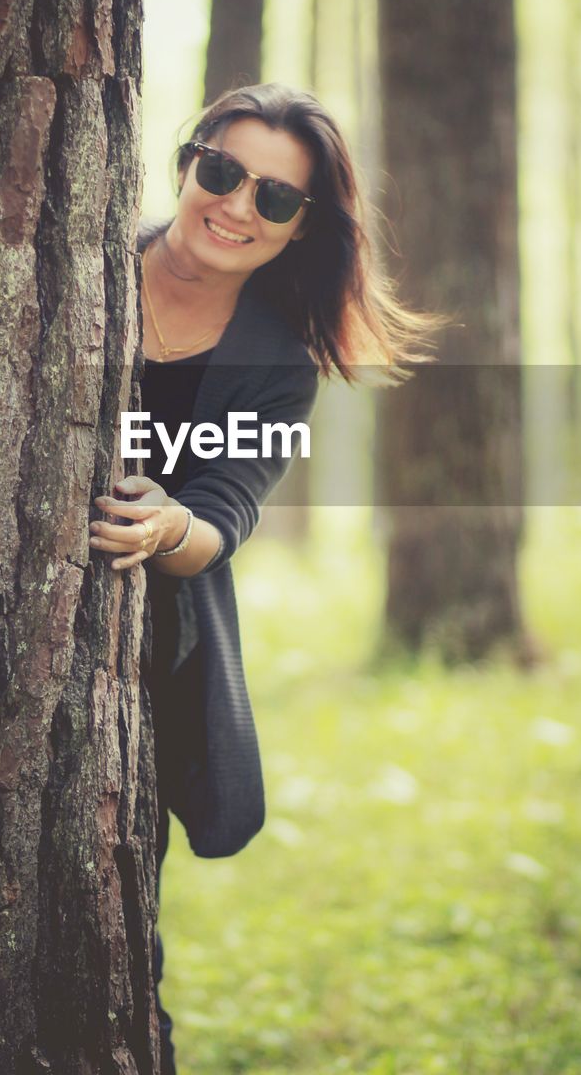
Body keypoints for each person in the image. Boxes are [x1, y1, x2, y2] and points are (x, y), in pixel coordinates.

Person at [88, 83, 435, 1073]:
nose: (238, 207)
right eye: (225, 172)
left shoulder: (278, 366)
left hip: (136, 662)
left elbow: (224, 516)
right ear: (190, 162)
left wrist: (165, 523)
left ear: (300, 231)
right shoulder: (80, 255)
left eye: (275, 200)